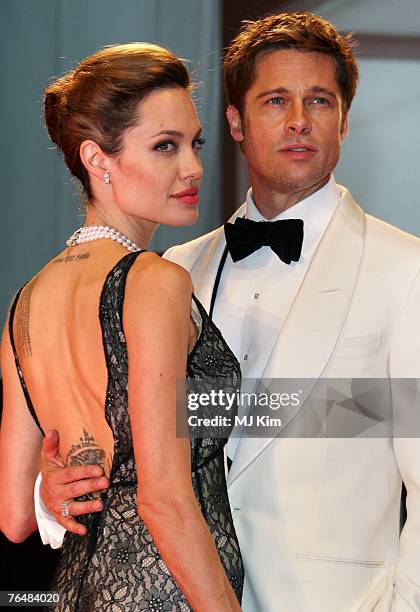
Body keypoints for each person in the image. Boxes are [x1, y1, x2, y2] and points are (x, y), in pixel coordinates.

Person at [35, 12, 420, 611]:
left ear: (344, 119)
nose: (299, 121)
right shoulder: (172, 270)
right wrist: (52, 491)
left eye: (319, 101)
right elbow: (127, 446)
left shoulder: (408, 270)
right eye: (275, 101)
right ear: (236, 121)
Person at [0, 42, 244, 611]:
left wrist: (50, 492)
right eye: (165, 147)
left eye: (193, 143)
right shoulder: (154, 280)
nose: (193, 168)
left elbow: (14, 514)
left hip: (79, 592)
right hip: (167, 593)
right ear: (97, 159)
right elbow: (162, 499)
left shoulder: (25, 301)